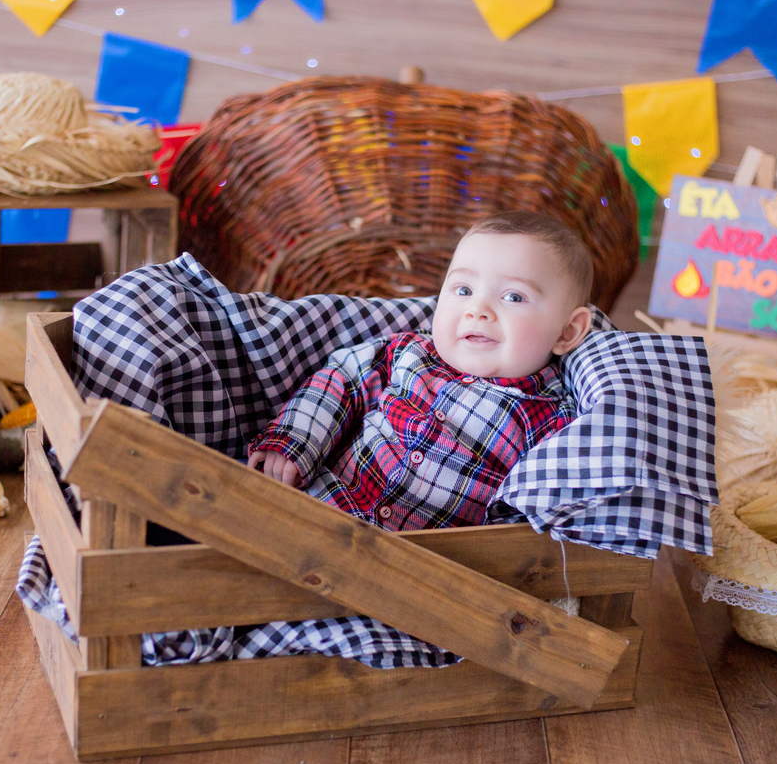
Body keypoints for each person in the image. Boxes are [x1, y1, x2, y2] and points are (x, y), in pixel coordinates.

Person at [246, 210, 594, 531]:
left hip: (421, 569)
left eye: (513, 297)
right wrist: (294, 440)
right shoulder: (406, 353)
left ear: (567, 331)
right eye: (463, 290)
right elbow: (340, 381)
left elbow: (531, 516)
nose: (477, 309)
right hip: (318, 509)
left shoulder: (552, 421)